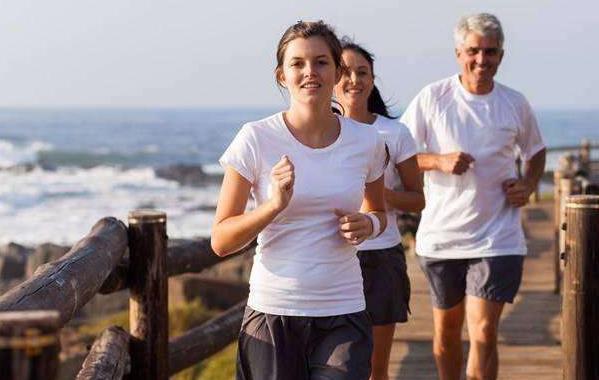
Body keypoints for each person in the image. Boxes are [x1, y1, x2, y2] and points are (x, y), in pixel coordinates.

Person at [211, 21, 389, 380]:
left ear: (338, 71)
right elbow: (221, 240)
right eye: (298, 63)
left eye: (321, 62)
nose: (310, 72)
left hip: (343, 310)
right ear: (282, 75)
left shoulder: (367, 141)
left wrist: (368, 224)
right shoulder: (256, 138)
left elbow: (379, 211)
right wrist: (273, 206)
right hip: (273, 311)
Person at [400, 13, 546, 380]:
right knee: (448, 334)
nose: (482, 60)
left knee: (483, 332)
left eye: (490, 52)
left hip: (499, 237)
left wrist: (528, 184)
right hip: (442, 237)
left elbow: (537, 151)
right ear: (458, 53)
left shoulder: (514, 103)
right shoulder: (433, 98)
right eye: (474, 51)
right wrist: (438, 160)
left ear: (501, 54)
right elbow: (398, 154)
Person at [333, 39, 424, 380]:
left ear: (372, 80)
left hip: (381, 257)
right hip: (332, 259)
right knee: (335, 367)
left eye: (362, 72)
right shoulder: (318, 132)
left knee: (375, 370)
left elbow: (418, 198)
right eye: (345, 72)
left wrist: (381, 195)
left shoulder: (394, 133)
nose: (354, 80)